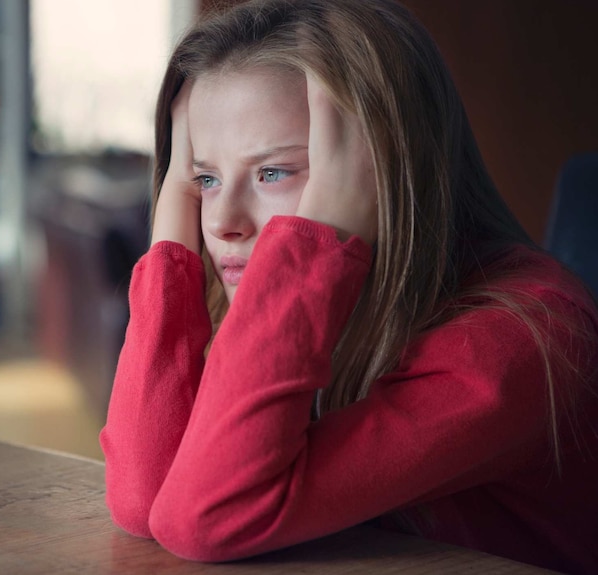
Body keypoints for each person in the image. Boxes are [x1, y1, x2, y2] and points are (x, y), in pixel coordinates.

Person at [98, 0, 598, 572]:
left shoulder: (519, 338)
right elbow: (143, 501)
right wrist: (171, 251)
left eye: (273, 172)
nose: (219, 222)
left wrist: (317, 238)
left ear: (382, 169)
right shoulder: (288, 301)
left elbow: (206, 516)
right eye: (206, 178)